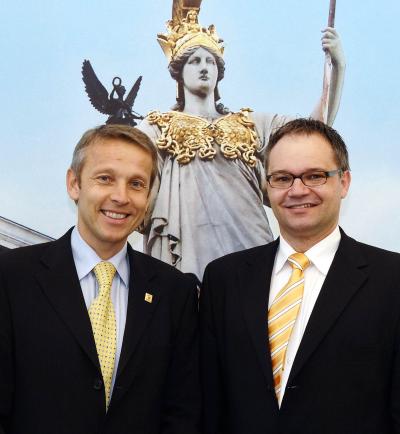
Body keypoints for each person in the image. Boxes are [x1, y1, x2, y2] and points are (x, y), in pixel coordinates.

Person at [200, 118, 400, 434]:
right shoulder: (224, 279)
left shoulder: (392, 280)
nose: (297, 190)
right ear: (267, 185)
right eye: (282, 178)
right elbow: (209, 405)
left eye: (314, 176)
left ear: (344, 182)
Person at [0, 124, 200, 434]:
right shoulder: (11, 277)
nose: (121, 197)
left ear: (148, 196)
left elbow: (183, 411)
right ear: (74, 184)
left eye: (136, 183)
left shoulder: (175, 292)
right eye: (105, 178)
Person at [139, 6, 346, 280]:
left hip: (249, 239)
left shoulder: (250, 123)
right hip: (190, 243)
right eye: (195, 61)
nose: (204, 68)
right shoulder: (158, 126)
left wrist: (338, 67)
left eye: (210, 62)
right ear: (179, 72)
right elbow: (130, 172)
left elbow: (313, 134)